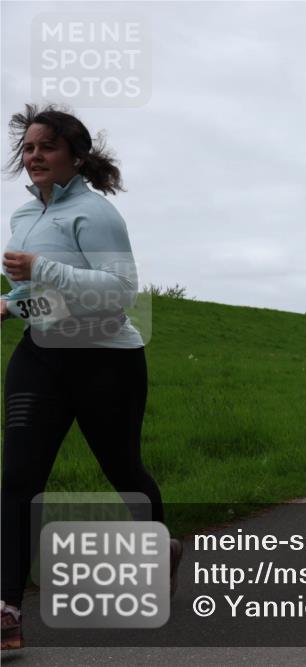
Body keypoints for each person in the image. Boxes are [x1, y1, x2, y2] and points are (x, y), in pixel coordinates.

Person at [0, 105, 181, 651]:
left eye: (46, 147)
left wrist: (40, 270)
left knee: (122, 469)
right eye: (28, 148)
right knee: (18, 478)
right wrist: (9, 303)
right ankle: (7, 609)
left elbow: (119, 292)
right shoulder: (21, 216)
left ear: (74, 156)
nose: (34, 157)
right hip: (42, 358)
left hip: (105, 360)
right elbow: (36, 293)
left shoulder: (96, 213)